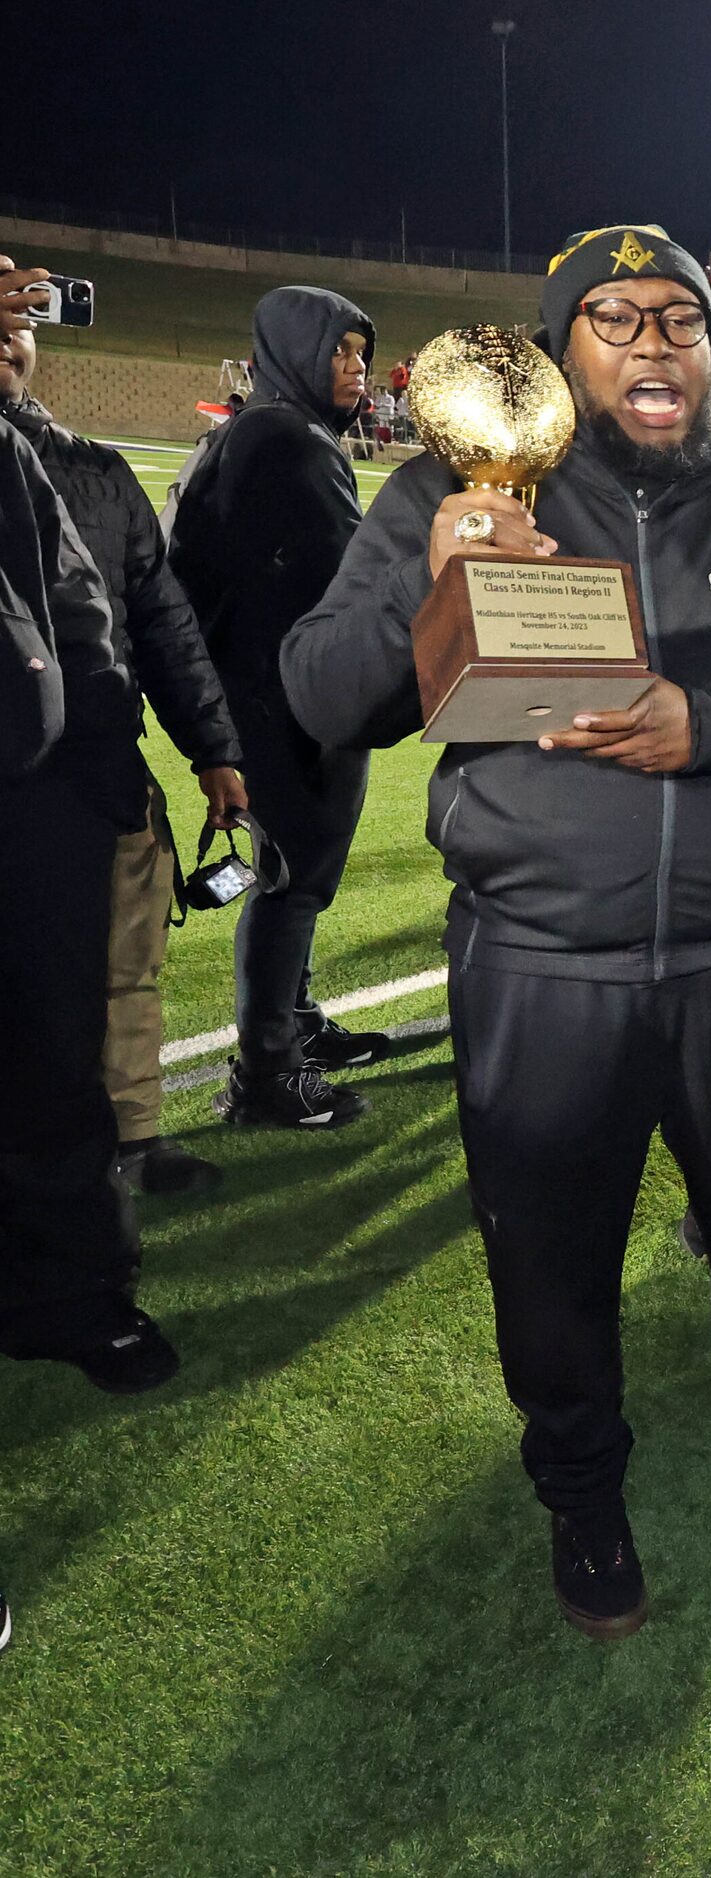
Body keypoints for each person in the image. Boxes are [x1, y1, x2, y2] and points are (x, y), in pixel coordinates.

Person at [282, 222, 711, 1638]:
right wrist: (430, 588)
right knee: (549, 1249)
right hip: (541, 963)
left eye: (678, 315)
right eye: (613, 317)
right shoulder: (452, 490)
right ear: (561, 351)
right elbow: (322, 695)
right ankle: (579, 1482)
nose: (651, 340)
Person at [0, 303, 247, 1197]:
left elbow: (163, 619)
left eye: (21, 317)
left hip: (100, 762)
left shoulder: (97, 470)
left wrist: (214, 749)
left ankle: (134, 1138)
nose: (11, 331)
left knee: (127, 961)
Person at [0, 260, 180, 1393]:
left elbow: (90, 621)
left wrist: (104, 773)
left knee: (50, 1063)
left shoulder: (27, 457)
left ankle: (69, 1298)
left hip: (35, 806)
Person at [167, 284, 386, 1128]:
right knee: (291, 878)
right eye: (340, 351)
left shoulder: (260, 429)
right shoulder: (288, 440)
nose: (357, 368)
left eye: (362, 353)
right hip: (282, 694)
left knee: (288, 872)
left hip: (252, 685)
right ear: (296, 351)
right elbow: (349, 576)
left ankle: (290, 1025)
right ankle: (266, 1072)